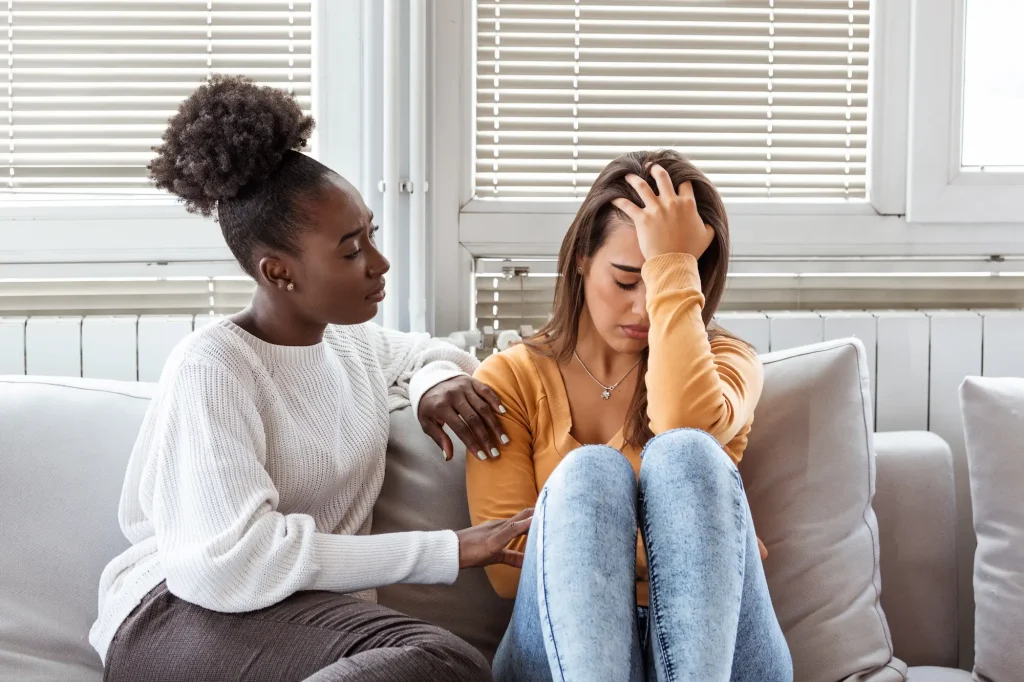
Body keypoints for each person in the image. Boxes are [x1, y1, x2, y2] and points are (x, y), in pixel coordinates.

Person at [90, 75, 531, 682]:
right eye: (351, 251)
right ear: (280, 272)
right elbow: (232, 565)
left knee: (452, 664)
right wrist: (452, 549)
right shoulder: (213, 366)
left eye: (371, 235)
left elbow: (425, 353)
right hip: (175, 615)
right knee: (443, 661)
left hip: (302, 619)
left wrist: (433, 382)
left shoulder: (349, 344)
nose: (379, 263)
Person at [465, 150, 793, 681]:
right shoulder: (511, 379)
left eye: (663, 278)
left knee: (686, 452)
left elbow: (684, 426)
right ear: (580, 260)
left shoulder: (727, 363)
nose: (643, 308)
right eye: (625, 279)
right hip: (564, 645)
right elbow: (510, 566)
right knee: (590, 474)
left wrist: (674, 269)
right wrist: (703, 541)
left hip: (716, 652)